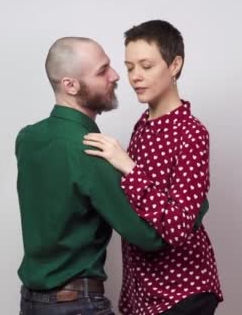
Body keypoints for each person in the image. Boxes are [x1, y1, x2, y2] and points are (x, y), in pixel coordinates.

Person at [15, 36, 167, 315]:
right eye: (102, 71)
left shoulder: (27, 139)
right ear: (69, 85)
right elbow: (149, 238)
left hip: (30, 304)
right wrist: (195, 202)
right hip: (75, 305)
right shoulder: (90, 150)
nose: (116, 75)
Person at [83, 20, 223, 314]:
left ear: (174, 65)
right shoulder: (143, 127)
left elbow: (178, 227)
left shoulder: (192, 133)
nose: (135, 77)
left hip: (183, 292)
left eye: (146, 65)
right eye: (130, 67)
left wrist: (128, 167)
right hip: (143, 295)